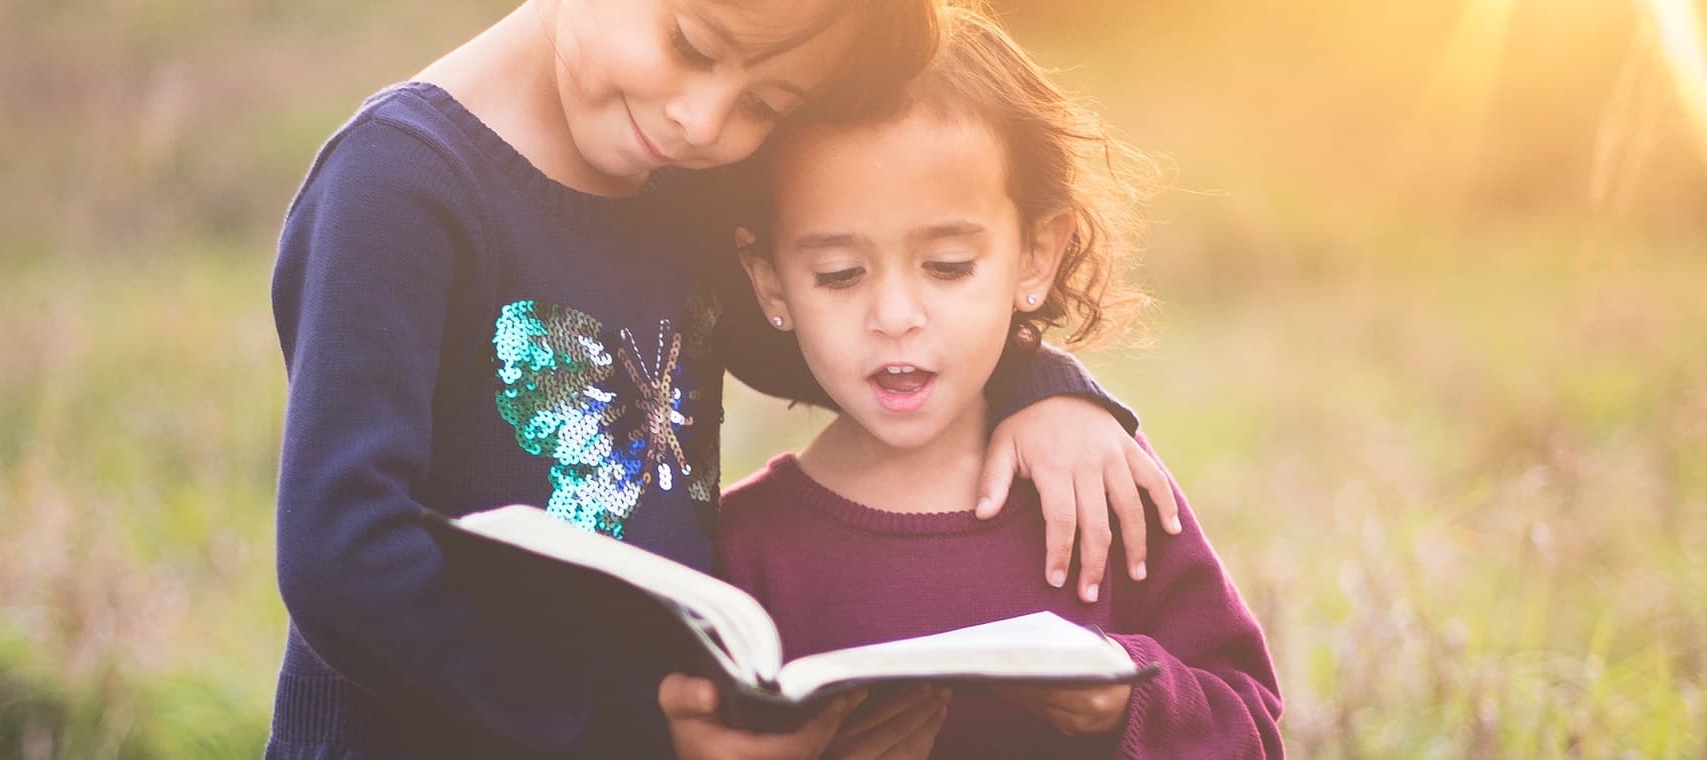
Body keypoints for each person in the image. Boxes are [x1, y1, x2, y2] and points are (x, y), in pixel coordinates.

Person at [268, 0, 1183, 756]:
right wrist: (636, 730)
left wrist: (1047, 390)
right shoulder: (399, 187)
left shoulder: (676, 183)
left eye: (765, 103)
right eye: (690, 44)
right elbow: (343, 556)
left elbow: (866, 349)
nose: (704, 121)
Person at [718, 7, 1285, 757]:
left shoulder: (1097, 481)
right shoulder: (744, 548)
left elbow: (1250, 724)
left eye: (948, 266)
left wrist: (1125, 695)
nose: (894, 315)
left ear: (1035, 257)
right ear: (771, 284)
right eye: (839, 274)